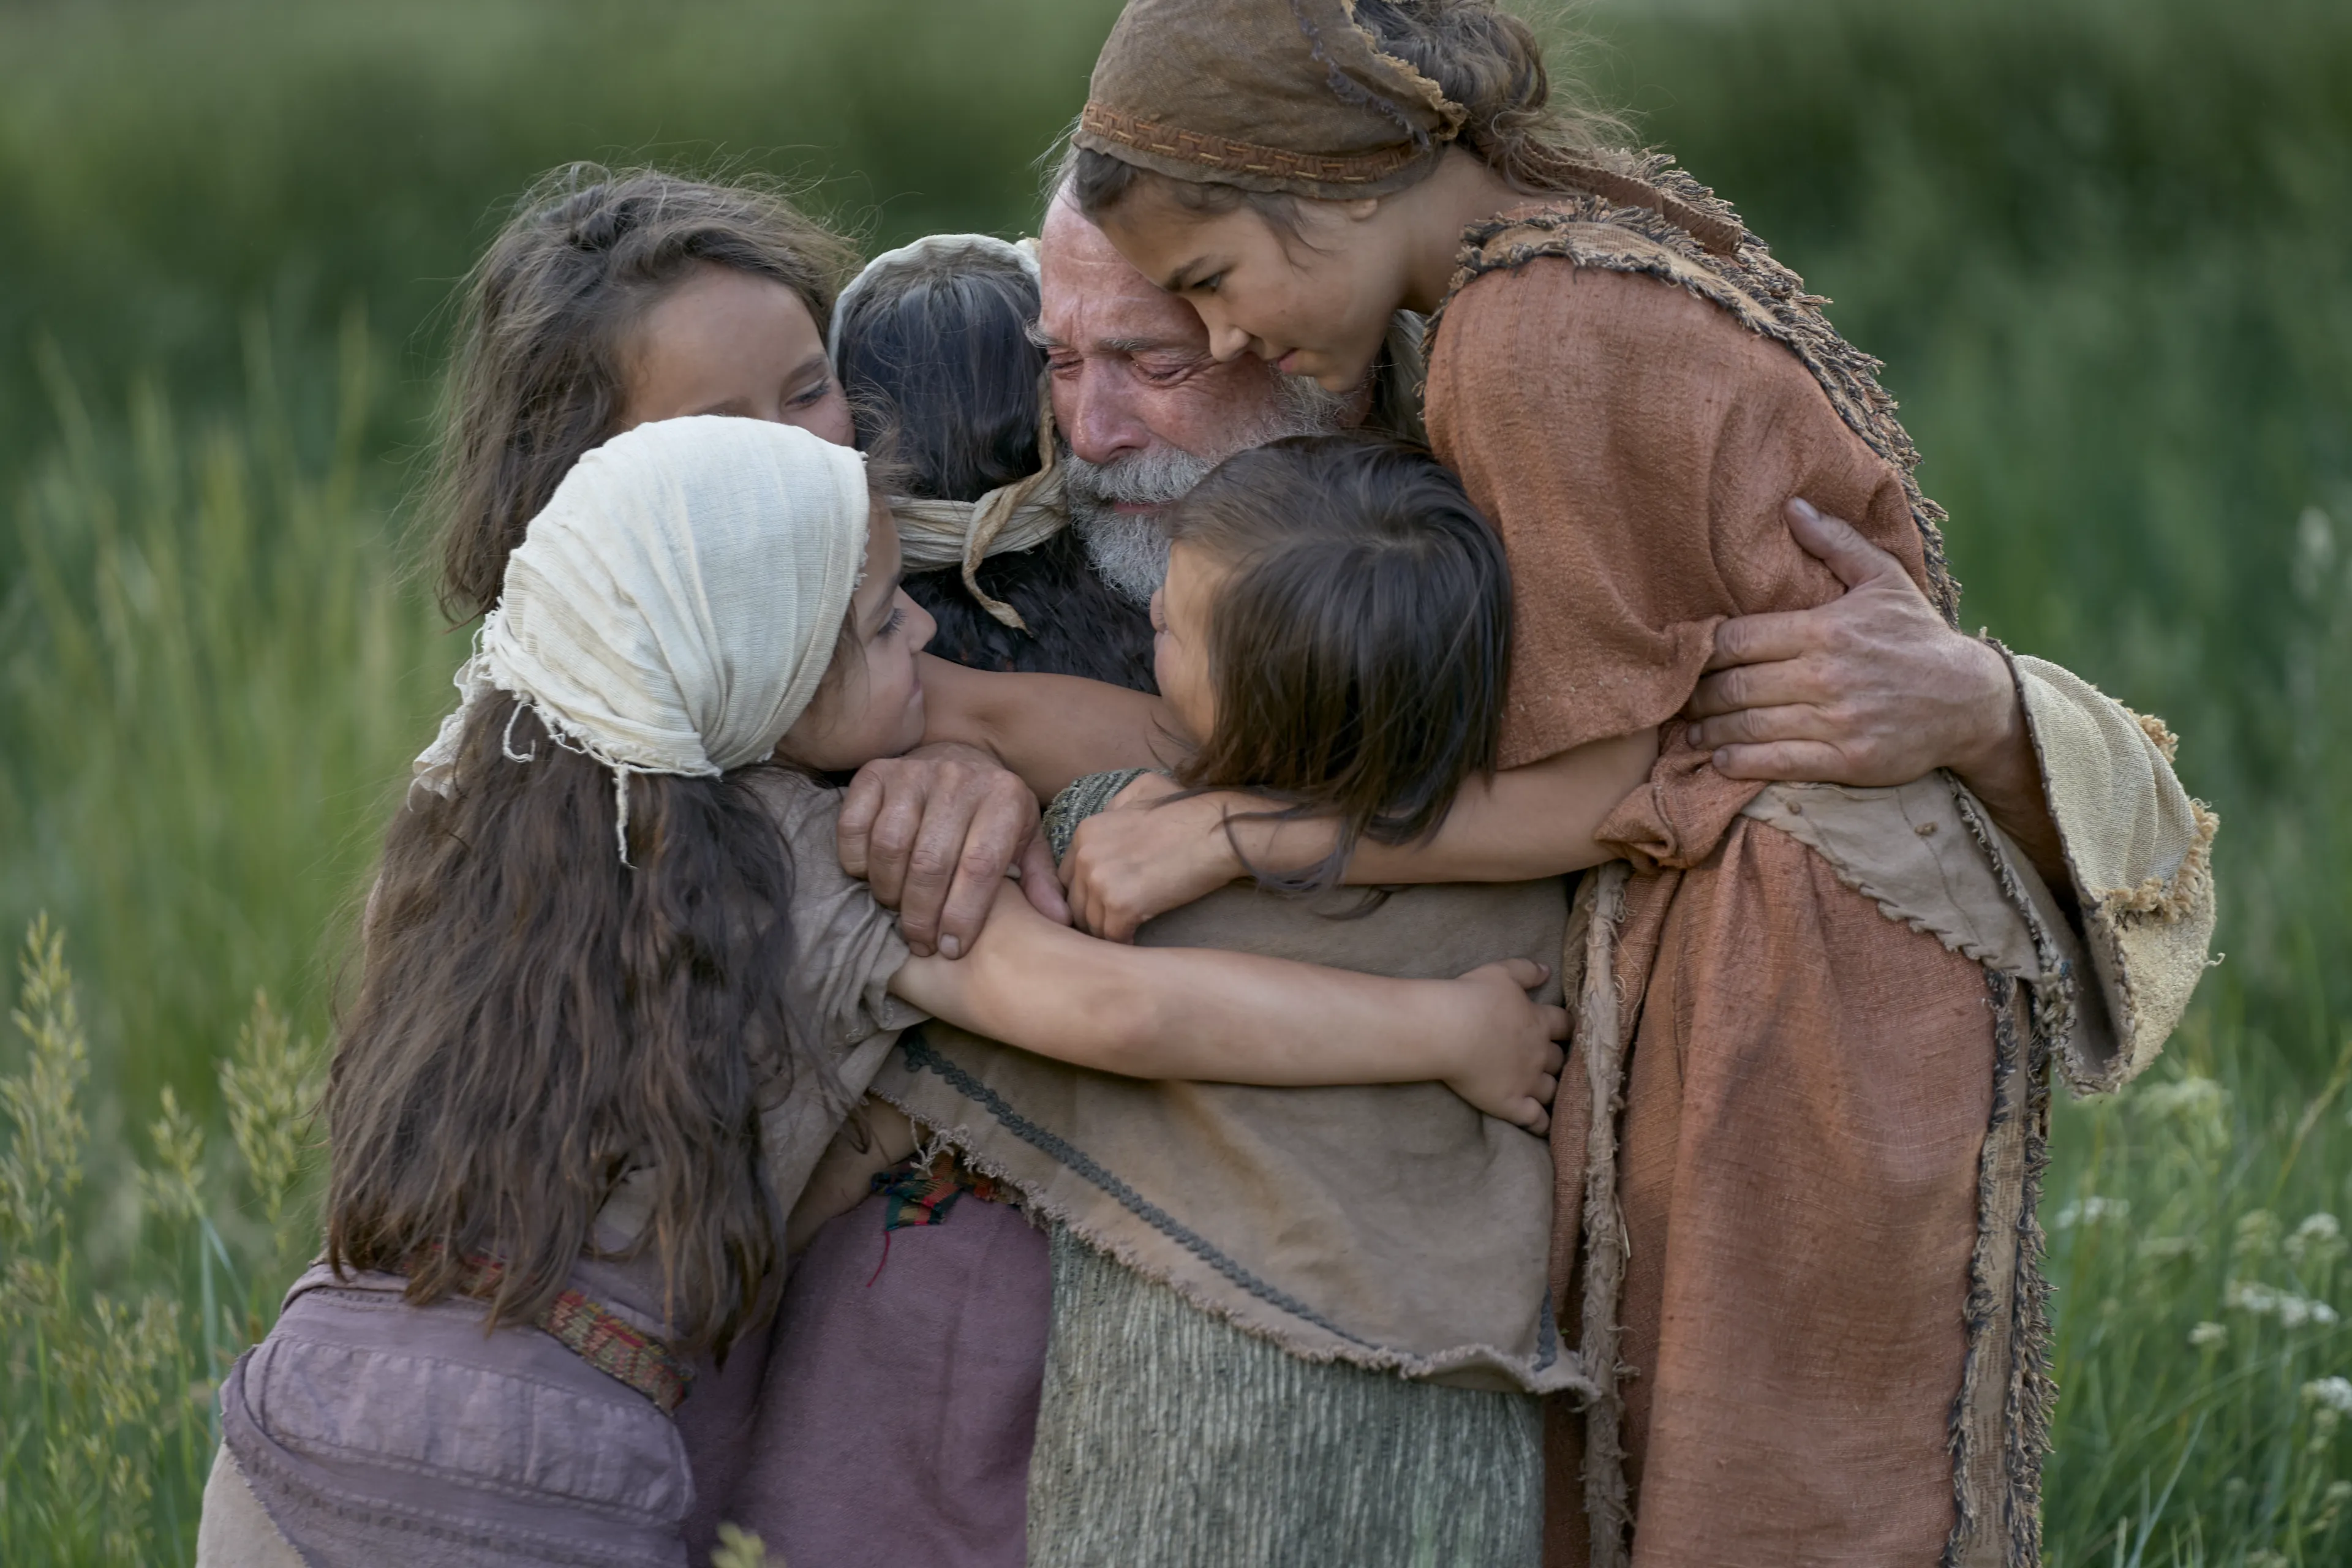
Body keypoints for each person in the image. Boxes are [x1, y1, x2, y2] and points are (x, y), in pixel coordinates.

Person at [1027, 2, 2218, 1565]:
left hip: (1802, 956)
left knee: (1767, 1477)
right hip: (1825, 918)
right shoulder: (1561, 254)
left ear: (1328, 181)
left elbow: (1616, 785)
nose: (1231, 335)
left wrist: (1237, 835)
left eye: (1206, 283)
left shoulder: (1520, 342)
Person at [195, 416, 1572, 1567]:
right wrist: (1450, 1028)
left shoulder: (464, 811)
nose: (920, 618)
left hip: (300, 1400)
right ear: (759, 667)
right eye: (875, 619)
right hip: (540, 1461)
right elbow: (1119, 1010)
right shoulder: (798, 859)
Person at [739, 433, 1646, 1564]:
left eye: (1172, 627)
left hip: (1192, 1410)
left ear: (1256, 699)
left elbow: (1086, 1002)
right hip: (1459, 1407)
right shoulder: (1520, 869)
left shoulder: (1115, 820)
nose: (1152, 609)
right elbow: (1626, 787)